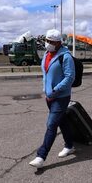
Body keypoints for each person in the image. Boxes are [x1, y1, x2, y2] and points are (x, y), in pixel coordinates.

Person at [29, 29, 76, 168]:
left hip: (60, 96)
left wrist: (55, 90)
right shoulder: (47, 54)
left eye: (51, 42)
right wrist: (47, 90)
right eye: (47, 41)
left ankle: (41, 156)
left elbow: (69, 78)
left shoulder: (65, 57)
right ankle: (70, 145)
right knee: (62, 121)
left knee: (51, 125)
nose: (47, 44)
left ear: (58, 42)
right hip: (49, 96)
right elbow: (46, 73)